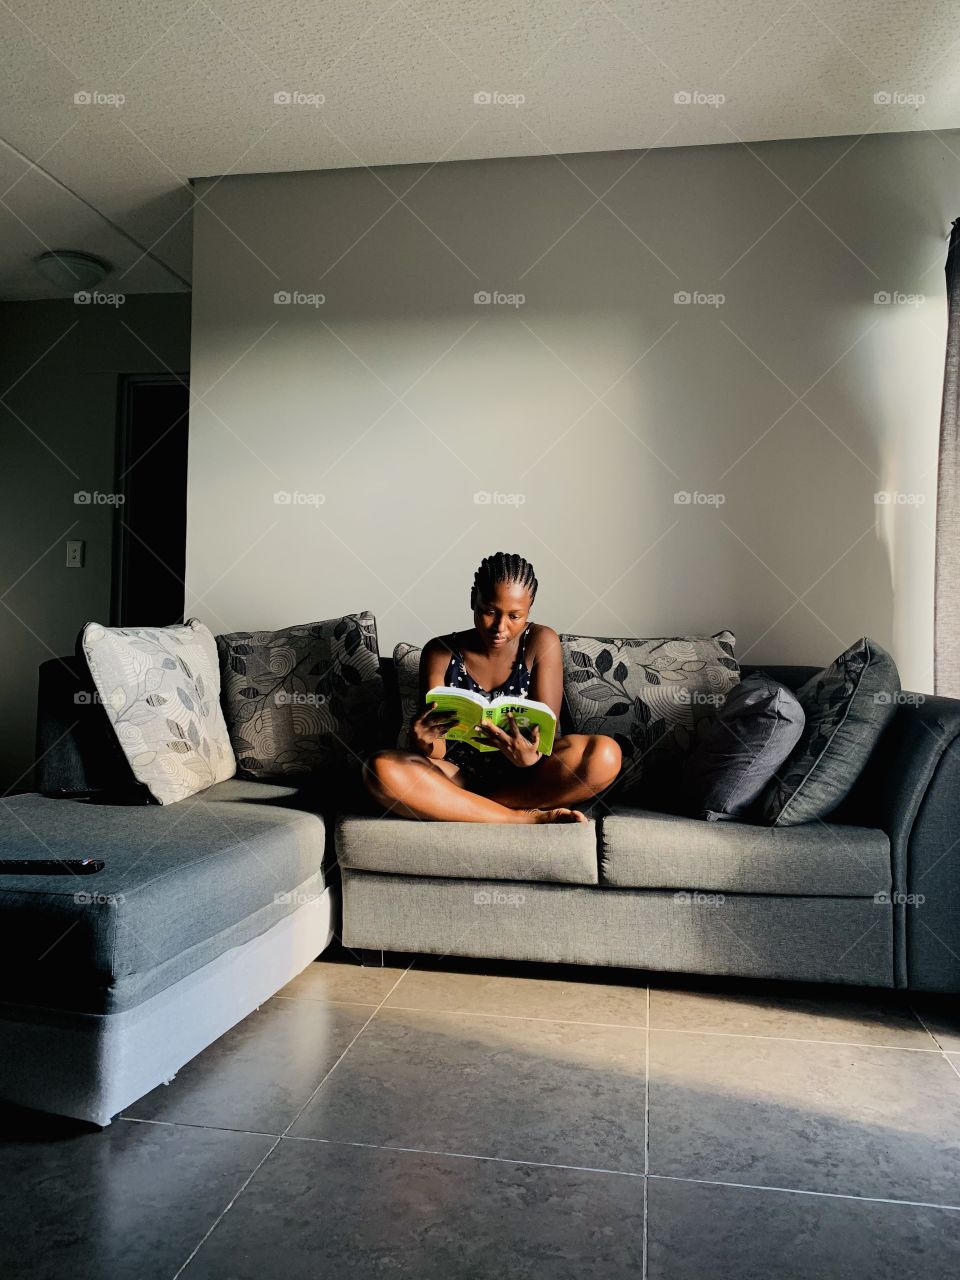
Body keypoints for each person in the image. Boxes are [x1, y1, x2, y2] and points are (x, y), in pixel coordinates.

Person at [364, 552, 622, 823]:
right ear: (473, 599)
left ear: (530, 608)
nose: (500, 627)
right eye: (489, 611)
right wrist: (421, 741)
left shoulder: (540, 641)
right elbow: (438, 751)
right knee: (380, 769)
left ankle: (467, 809)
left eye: (515, 616)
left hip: (525, 778)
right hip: (455, 776)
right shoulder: (440, 651)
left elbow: (545, 734)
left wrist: (528, 758)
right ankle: (521, 819)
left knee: (604, 755)